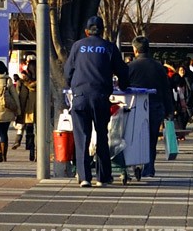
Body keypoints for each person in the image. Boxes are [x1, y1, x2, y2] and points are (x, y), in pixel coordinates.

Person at [63, 15, 128, 188]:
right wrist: (124, 85)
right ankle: (103, 177)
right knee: (101, 136)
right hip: (100, 98)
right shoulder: (109, 47)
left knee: (82, 137)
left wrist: (73, 86)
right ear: (102, 30)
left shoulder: (77, 46)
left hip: (80, 98)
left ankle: (84, 177)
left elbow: (68, 71)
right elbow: (122, 70)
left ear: (86, 31)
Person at [126, 37, 172, 179]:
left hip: (135, 107)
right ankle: (149, 168)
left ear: (135, 49)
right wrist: (169, 110)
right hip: (156, 106)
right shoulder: (158, 66)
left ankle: (134, 163)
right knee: (151, 139)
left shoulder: (130, 67)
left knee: (134, 137)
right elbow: (166, 89)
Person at [19, 62, 38, 163]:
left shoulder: (24, 82)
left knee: (30, 132)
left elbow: (22, 98)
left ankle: (31, 150)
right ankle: (39, 153)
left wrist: (20, 111)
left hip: (29, 111)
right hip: (40, 111)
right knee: (40, 133)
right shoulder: (44, 81)